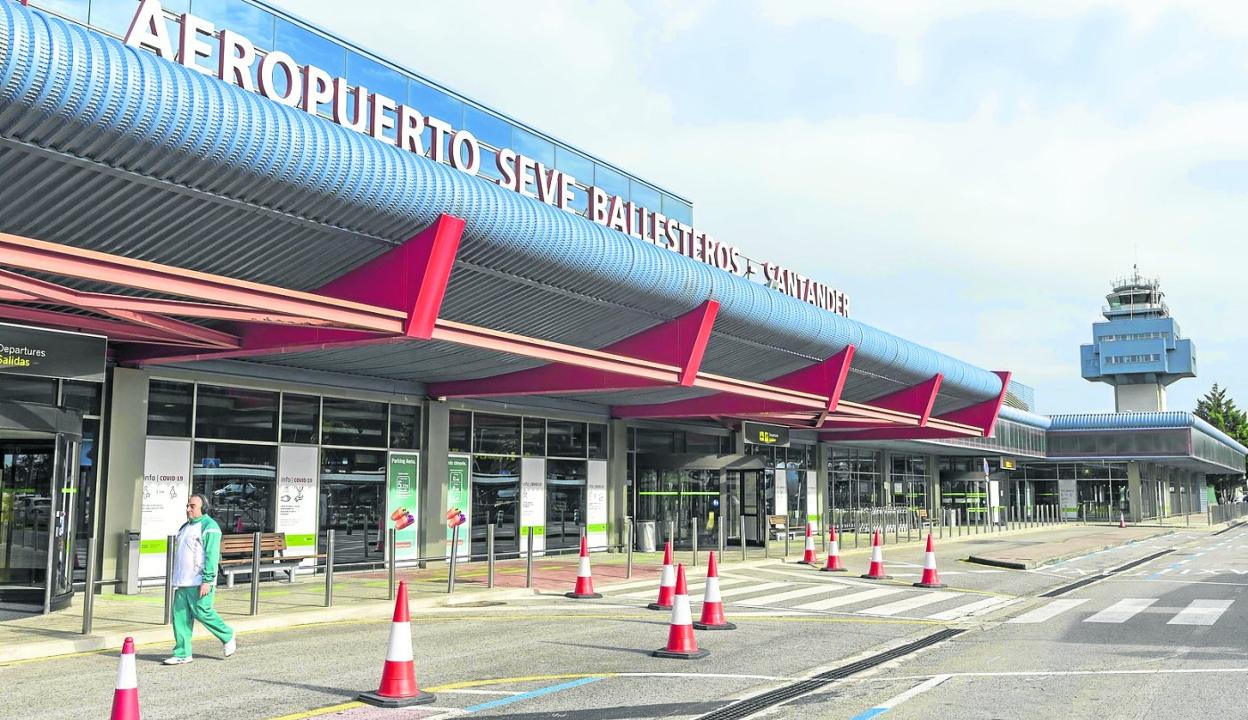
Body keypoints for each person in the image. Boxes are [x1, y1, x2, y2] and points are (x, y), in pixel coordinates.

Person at [164, 493, 236, 665]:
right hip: (183, 582)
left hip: (199, 581)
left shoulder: (210, 526)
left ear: (203, 508)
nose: (188, 509)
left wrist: (207, 580)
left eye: (192, 506)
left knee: (203, 612)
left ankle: (227, 635)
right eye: (187, 506)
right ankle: (182, 654)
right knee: (180, 618)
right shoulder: (184, 527)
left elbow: (212, 555)